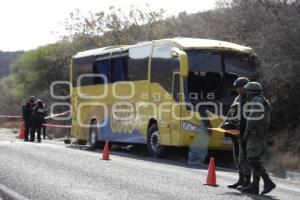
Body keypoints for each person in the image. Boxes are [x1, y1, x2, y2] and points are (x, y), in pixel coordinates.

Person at [241, 82, 276, 195]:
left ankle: (268, 182)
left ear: (250, 91)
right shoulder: (262, 100)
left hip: (256, 134)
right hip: (260, 133)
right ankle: (255, 187)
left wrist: (246, 132)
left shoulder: (256, 101)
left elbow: (252, 119)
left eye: (247, 90)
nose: (245, 92)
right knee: (256, 159)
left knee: (253, 160)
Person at [220, 77, 251, 189]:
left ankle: (248, 182)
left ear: (245, 87)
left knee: (244, 158)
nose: (238, 89)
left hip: (245, 133)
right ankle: (241, 180)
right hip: (235, 133)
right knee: (237, 157)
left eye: (240, 87)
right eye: (237, 87)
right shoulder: (237, 99)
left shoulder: (251, 100)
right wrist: (224, 125)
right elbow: (230, 113)